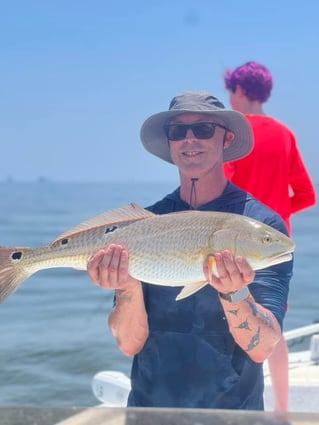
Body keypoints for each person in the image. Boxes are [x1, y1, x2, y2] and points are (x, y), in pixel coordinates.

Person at [87, 91, 293, 410]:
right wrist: (126, 284)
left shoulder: (262, 226)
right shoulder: (146, 224)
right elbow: (129, 344)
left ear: (226, 139)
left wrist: (235, 293)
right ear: (170, 144)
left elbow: (263, 348)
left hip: (233, 416)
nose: (190, 139)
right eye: (178, 131)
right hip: (149, 412)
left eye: (204, 129)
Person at [223, 61, 316, 412]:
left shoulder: (235, 135)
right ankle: (282, 413)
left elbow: (224, 190)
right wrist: (276, 217)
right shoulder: (285, 134)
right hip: (275, 250)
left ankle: (236, 410)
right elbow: (307, 195)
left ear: (241, 91)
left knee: (233, 326)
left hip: (235, 248)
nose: (230, 99)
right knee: (272, 328)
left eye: (231, 92)